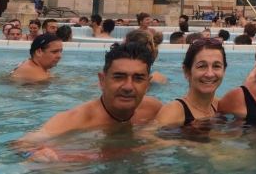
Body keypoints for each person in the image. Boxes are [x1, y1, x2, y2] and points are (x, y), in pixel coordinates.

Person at [17, 42, 163, 161]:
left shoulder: (153, 109)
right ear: (102, 80)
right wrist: (35, 154)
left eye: (138, 78)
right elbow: (21, 144)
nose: (128, 87)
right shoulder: (76, 119)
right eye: (119, 77)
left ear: (147, 84)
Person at [154, 38, 227, 127]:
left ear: (224, 71)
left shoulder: (220, 105)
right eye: (202, 66)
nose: (210, 74)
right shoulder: (173, 113)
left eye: (216, 66)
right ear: (187, 71)